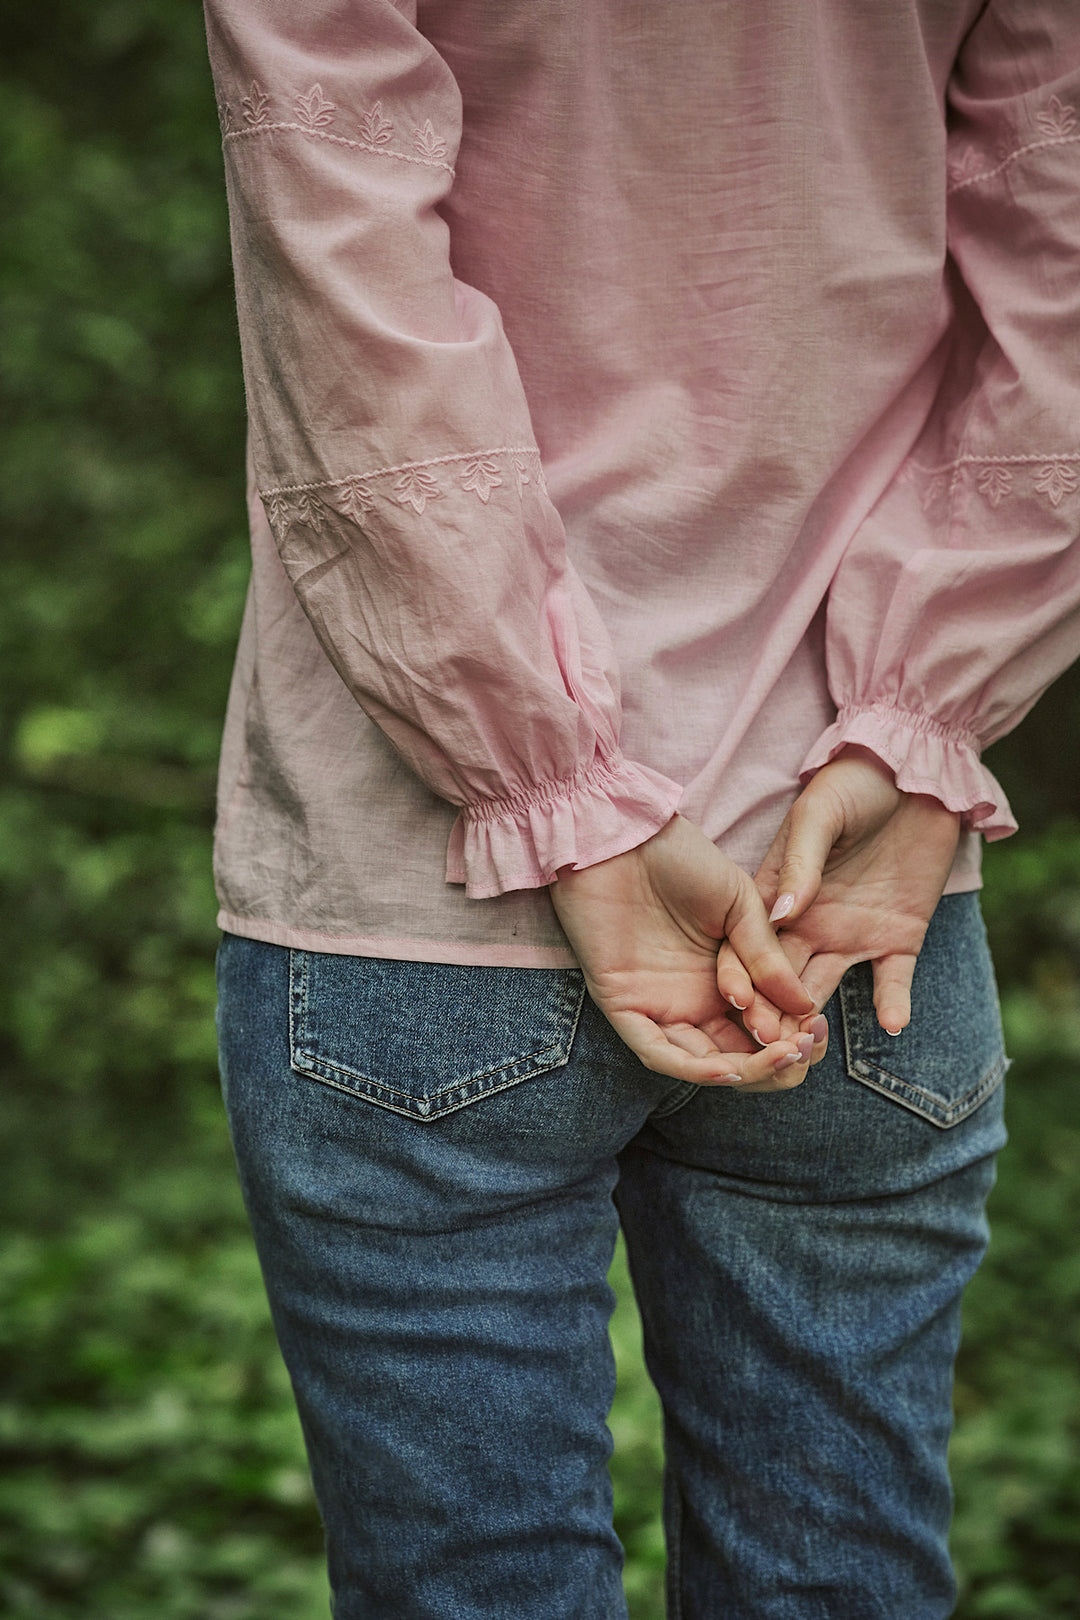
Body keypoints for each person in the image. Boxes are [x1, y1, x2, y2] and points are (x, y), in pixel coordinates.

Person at [204, 0, 1080, 1613]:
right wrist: (926, 713)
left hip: (427, 889)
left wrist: (563, 791)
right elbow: (1061, 251)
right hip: (850, 885)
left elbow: (353, 282)